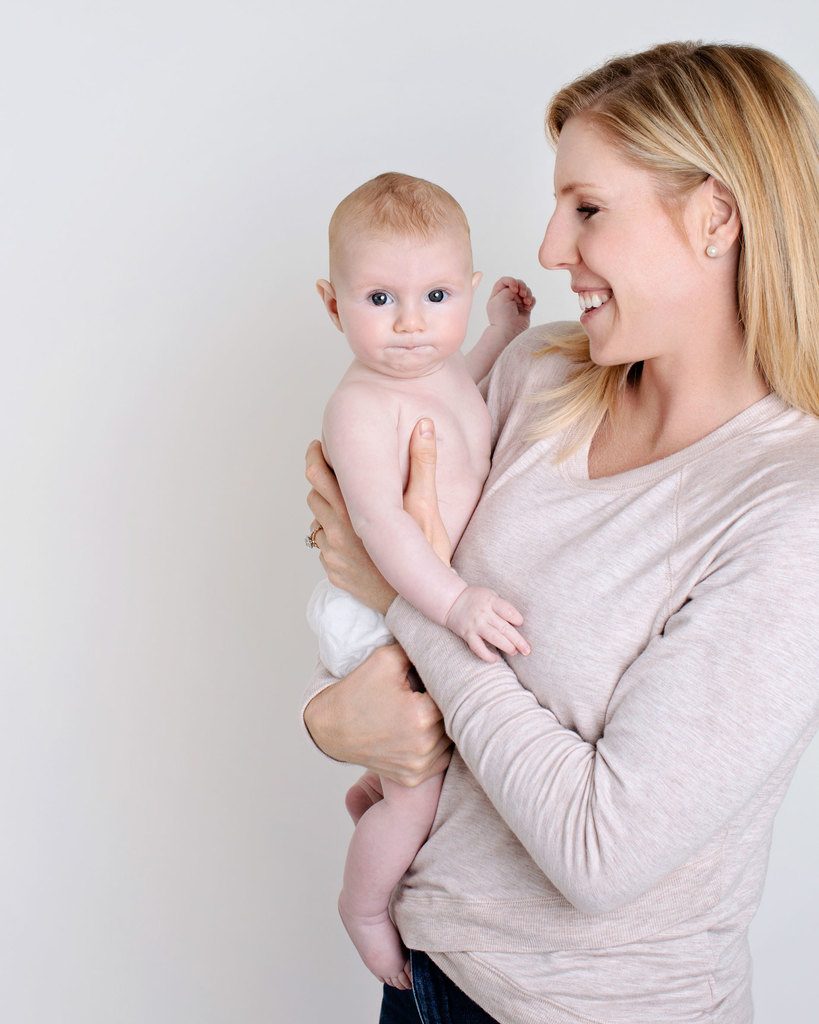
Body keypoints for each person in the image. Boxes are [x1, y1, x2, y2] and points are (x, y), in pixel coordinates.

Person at [303, 41, 819, 1024]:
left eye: (587, 209)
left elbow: (598, 848)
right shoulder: (540, 374)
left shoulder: (792, 511)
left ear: (716, 218)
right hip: (422, 976)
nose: (548, 247)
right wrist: (328, 717)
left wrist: (406, 606)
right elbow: (368, 585)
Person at [308, 171, 535, 989]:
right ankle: (364, 905)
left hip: (418, 594)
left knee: (413, 765)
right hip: (379, 603)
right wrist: (452, 602)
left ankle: (374, 790)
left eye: (436, 295)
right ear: (333, 305)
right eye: (379, 300)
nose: (410, 323)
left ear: (467, 293)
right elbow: (379, 530)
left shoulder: (435, 369)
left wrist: (502, 334)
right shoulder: (362, 405)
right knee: (423, 790)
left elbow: (463, 395)